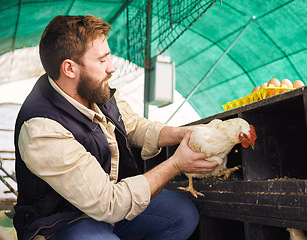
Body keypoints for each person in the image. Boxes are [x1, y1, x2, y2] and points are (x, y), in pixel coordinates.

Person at [13, 15, 218, 240]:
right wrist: (176, 164)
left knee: (182, 214)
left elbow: (133, 125)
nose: (111, 68)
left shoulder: (93, 89)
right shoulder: (42, 130)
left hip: (106, 209)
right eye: (102, 60)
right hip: (62, 222)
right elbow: (108, 203)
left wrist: (183, 134)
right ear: (70, 69)